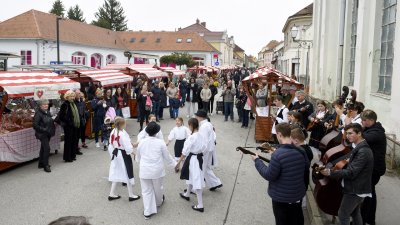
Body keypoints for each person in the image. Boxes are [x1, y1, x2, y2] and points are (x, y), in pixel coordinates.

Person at [251, 123, 309, 225]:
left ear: (279, 134)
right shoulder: (301, 150)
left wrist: (257, 161)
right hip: (297, 196)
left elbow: (269, 175)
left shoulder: (277, 154)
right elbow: (304, 169)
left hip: (281, 199)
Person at [320, 123, 374, 225]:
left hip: (355, 189)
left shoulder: (364, 151)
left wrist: (330, 172)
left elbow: (351, 172)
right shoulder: (358, 146)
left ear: (359, 133)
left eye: (350, 133)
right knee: (355, 213)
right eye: (346, 133)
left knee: (343, 214)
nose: (347, 136)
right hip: (356, 187)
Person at [136, 122, 176, 219]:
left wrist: (140, 162)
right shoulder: (160, 142)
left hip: (144, 170)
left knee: (146, 191)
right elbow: (167, 156)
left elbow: (138, 157)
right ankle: (158, 202)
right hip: (157, 170)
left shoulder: (141, 142)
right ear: (157, 132)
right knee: (158, 188)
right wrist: (175, 164)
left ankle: (147, 211)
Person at [360, 110, 387, 225]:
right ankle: (368, 220)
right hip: (371, 167)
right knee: (369, 194)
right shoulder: (370, 128)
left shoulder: (377, 132)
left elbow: (362, 138)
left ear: (371, 120)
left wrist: (351, 130)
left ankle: (366, 220)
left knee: (368, 195)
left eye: (364, 120)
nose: (362, 122)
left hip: (374, 168)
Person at [107, 117, 140, 202]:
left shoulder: (113, 131)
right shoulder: (121, 133)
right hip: (123, 154)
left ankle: (111, 193)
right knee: (127, 173)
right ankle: (131, 195)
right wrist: (134, 153)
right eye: (124, 123)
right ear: (121, 124)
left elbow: (111, 143)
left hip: (116, 154)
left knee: (117, 172)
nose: (125, 125)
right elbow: (127, 147)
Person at [176, 118, 206, 212]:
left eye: (189, 125)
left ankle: (200, 205)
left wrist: (178, 162)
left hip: (193, 159)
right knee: (191, 177)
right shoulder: (200, 135)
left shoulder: (192, 137)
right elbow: (205, 147)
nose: (188, 127)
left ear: (192, 126)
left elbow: (185, 151)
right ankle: (187, 194)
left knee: (196, 180)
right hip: (198, 158)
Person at [195, 110, 223, 191]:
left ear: (200, 117)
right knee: (206, 167)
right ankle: (215, 183)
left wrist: (200, 151)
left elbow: (204, 141)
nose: (196, 117)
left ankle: (196, 188)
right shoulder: (208, 124)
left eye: (197, 116)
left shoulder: (204, 126)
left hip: (205, 150)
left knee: (201, 168)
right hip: (209, 149)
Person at [33, 99, 55, 173]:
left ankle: (41, 163)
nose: (46, 105)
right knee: (47, 148)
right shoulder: (38, 113)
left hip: (47, 133)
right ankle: (46, 165)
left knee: (43, 148)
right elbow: (35, 125)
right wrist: (44, 129)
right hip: (42, 134)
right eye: (44, 104)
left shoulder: (47, 112)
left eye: (47, 104)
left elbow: (49, 121)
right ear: (40, 106)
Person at [59, 90, 81, 162]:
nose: (72, 97)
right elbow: (61, 116)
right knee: (68, 142)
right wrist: (69, 121)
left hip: (74, 125)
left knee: (73, 141)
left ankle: (72, 155)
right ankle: (67, 157)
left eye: (73, 96)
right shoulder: (65, 104)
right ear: (67, 97)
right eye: (71, 96)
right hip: (68, 126)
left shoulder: (73, 104)